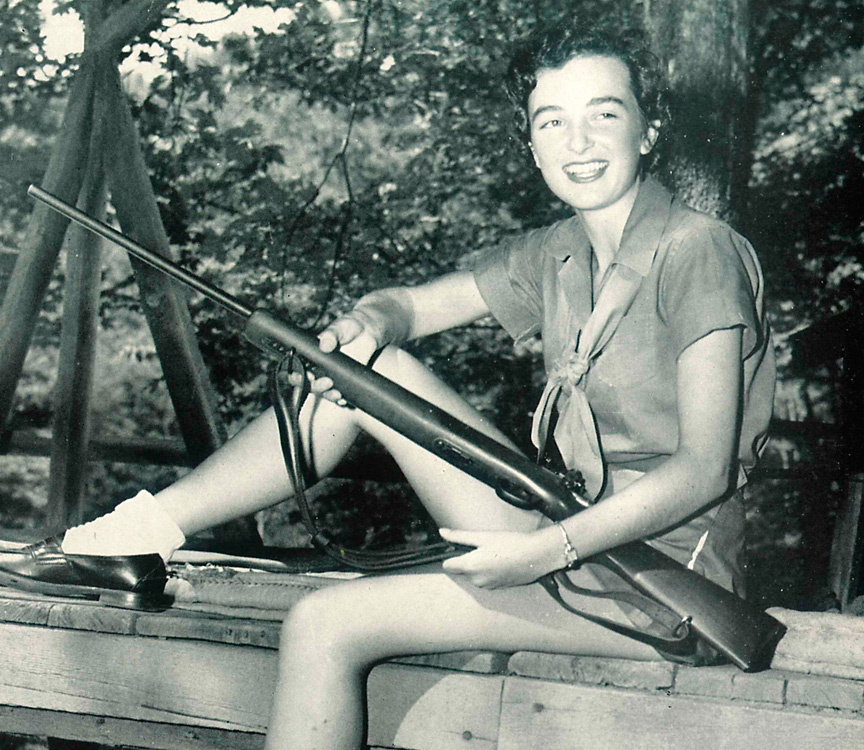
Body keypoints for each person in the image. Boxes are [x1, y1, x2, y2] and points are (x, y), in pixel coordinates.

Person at [0, 19, 774, 750]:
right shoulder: (560, 252)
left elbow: (702, 469)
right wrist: (367, 323)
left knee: (323, 624)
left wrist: (544, 553)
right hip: (567, 531)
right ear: (531, 145)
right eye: (550, 121)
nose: (578, 143)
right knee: (363, 368)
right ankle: (136, 534)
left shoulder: (697, 250)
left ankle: (133, 540)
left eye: (603, 115)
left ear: (650, 128)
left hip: (660, 576)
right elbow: (407, 308)